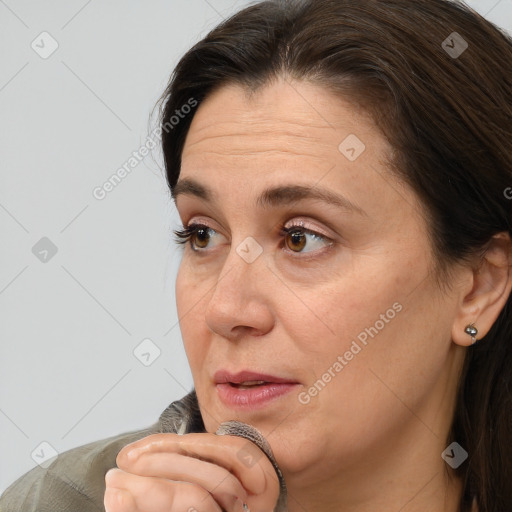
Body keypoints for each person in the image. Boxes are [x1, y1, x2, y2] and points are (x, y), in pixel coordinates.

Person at [2, 0, 512, 510]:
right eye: (202, 234)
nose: (225, 311)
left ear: (478, 286)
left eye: (301, 238)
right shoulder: (58, 501)